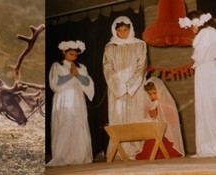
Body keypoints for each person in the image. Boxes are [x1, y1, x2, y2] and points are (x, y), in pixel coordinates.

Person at [103, 16, 147, 159]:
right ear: (115, 31)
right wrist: (120, 86)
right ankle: (119, 151)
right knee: (118, 117)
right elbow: (107, 68)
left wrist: (130, 85)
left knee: (136, 115)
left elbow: (141, 66)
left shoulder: (140, 45)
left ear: (131, 29)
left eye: (126, 30)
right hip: (117, 89)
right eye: (120, 30)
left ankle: (136, 151)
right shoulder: (110, 47)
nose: (123, 33)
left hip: (136, 87)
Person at [47, 40, 95, 166]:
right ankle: (63, 156)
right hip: (64, 98)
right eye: (71, 54)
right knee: (64, 123)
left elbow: (87, 83)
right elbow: (55, 83)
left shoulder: (80, 67)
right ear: (64, 52)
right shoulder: (57, 66)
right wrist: (70, 74)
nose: (73, 57)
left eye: (75, 55)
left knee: (78, 124)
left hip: (77, 98)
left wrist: (77, 74)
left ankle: (79, 156)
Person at [179, 11, 216, 157]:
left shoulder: (208, 32)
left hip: (207, 70)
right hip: (204, 69)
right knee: (205, 105)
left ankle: (212, 144)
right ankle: (207, 144)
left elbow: (204, 54)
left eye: (191, 24)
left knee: (209, 104)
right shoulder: (207, 32)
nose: (191, 28)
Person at [135, 77, 185, 160]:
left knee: (157, 141)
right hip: (153, 132)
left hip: (165, 134)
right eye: (150, 94)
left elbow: (172, 123)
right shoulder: (149, 105)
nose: (152, 96)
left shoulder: (167, 104)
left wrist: (157, 117)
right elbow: (146, 119)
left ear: (160, 91)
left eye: (154, 93)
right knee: (149, 145)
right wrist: (151, 118)